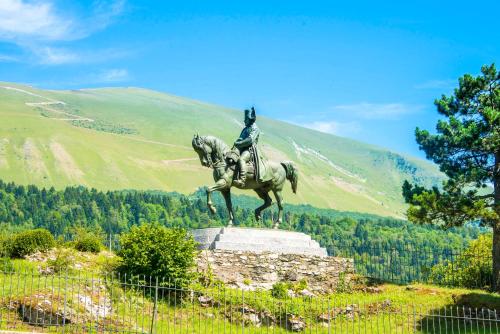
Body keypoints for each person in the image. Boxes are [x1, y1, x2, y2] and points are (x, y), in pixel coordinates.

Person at [233, 107, 260, 187]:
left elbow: (250, 140)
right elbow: (241, 138)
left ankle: (242, 180)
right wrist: (238, 142)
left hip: (250, 149)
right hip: (241, 148)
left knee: (241, 159)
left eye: (246, 119)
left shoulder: (255, 128)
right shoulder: (245, 129)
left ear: (250, 119)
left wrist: (239, 143)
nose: (244, 121)